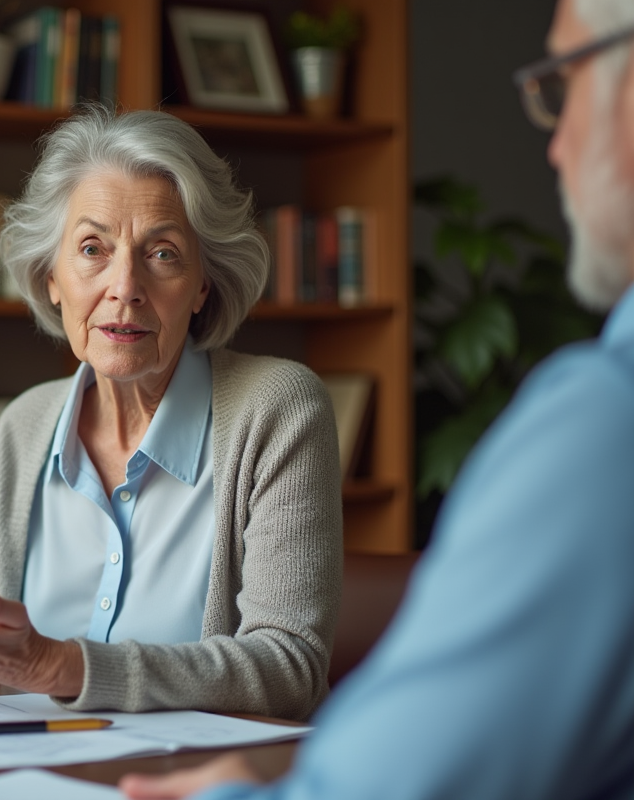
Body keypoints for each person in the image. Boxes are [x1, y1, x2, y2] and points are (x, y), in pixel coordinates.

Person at [120, 0, 634, 797]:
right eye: (90, 250)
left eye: (562, 86)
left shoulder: (607, 423)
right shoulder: (27, 426)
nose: (557, 147)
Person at [0, 106, 343, 719]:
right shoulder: (25, 426)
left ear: (203, 284)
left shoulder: (276, 409)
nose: (124, 285)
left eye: (163, 254)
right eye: (93, 248)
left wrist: (58, 666)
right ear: (52, 276)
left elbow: (290, 667)